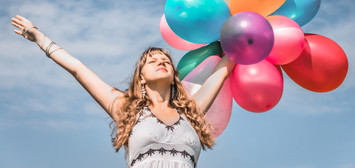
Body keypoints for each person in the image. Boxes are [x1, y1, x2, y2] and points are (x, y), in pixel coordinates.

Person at [11, 15, 236, 168]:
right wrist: (39, 38)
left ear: (174, 76)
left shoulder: (192, 111)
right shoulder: (125, 108)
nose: (161, 61)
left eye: (166, 59)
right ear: (142, 78)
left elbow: (222, 71)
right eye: (152, 60)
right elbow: (78, 69)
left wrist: (242, 30)